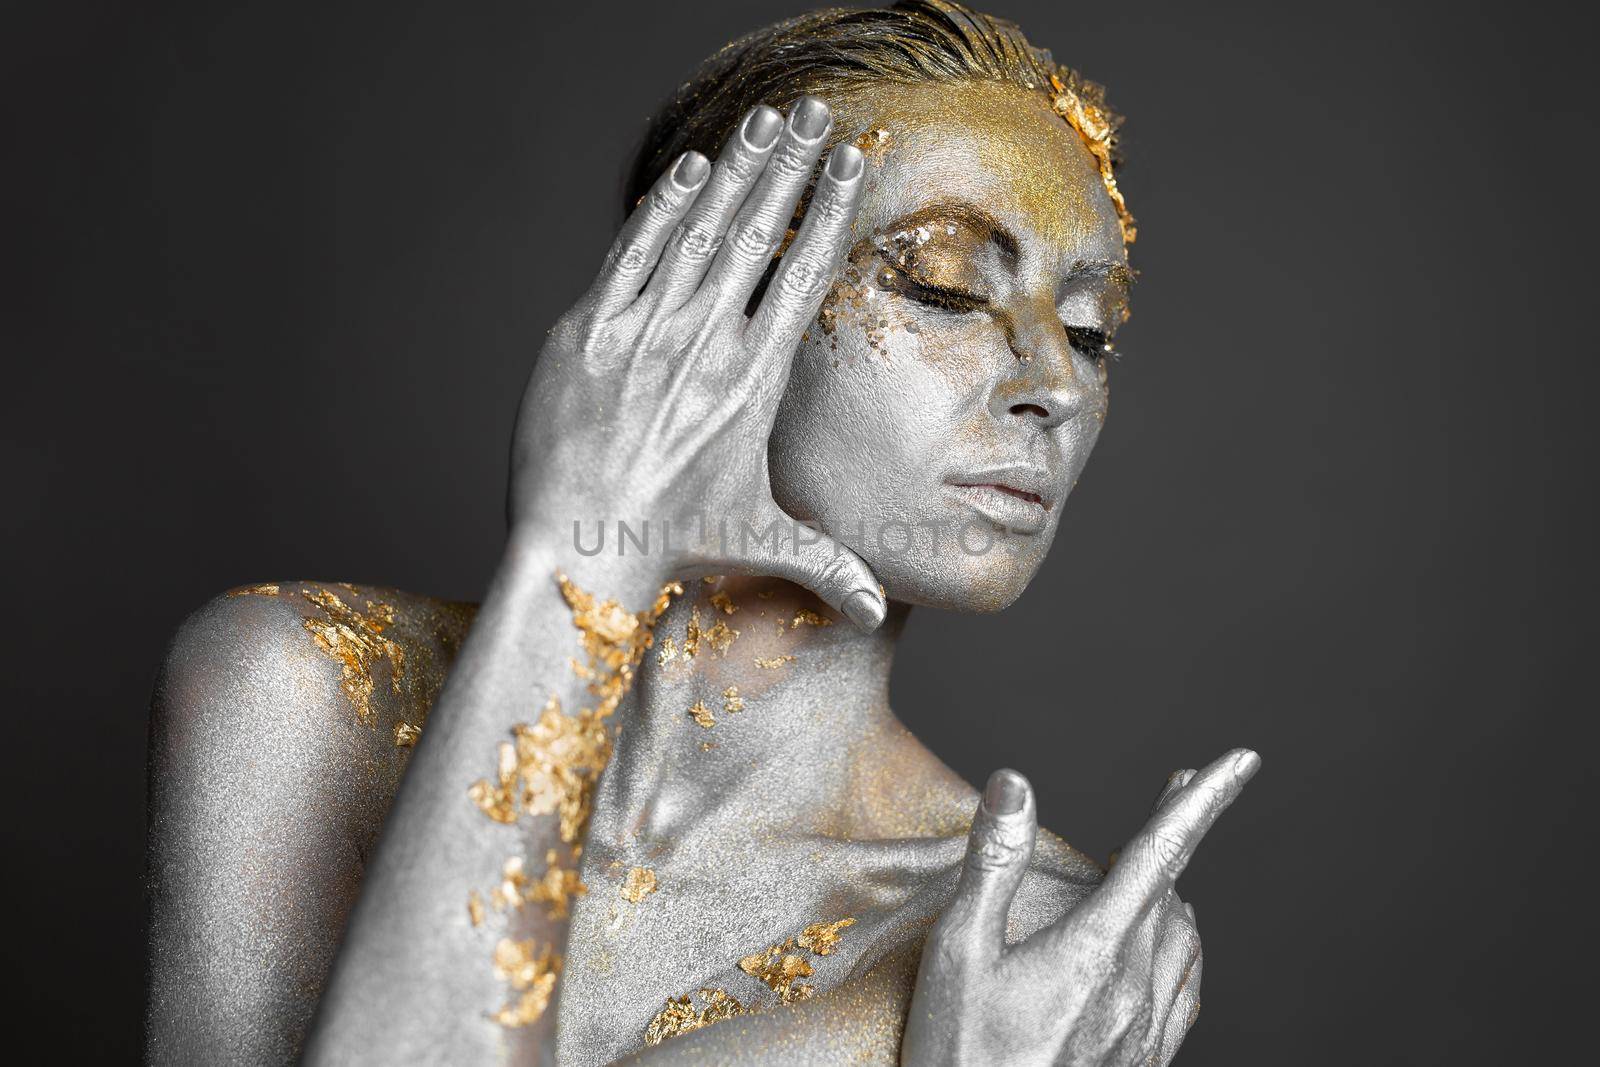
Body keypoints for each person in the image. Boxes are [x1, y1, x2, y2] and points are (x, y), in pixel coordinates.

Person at [145, 3, 1259, 1063]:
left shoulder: (1012, 933)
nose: (1055, 380)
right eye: (947, 287)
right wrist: (588, 549)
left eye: (1089, 331)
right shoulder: (303, 688)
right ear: (698, 309)